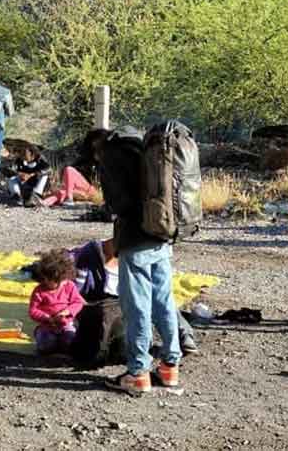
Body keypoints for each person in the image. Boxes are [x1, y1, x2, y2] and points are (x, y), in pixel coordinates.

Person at [96, 127, 181, 396]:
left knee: (137, 309)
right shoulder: (149, 151)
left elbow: (117, 205)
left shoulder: (115, 155)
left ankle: (138, 373)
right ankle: (170, 366)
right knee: (165, 302)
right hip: (162, 234)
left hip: (135, 241)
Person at [68, 238, 198, 354]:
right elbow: (76, 292)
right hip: (102, 304)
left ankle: (183, 338)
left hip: (127, 301)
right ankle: (149, 352)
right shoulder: (89, 257)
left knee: (160, 301)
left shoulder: (139, 258)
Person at [27, 249, 86, 355]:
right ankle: (41, 335)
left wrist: (67, 312)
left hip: (66, 324)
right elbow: (33, 310)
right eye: (56, 282)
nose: (61, 284)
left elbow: (78, 302)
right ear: (45, 278)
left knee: (71, 344)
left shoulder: (69, 286)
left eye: (63, 281)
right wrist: (47, 318)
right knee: (46, 346)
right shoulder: (39, 291)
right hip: (47, 326)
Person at [42, 129, 104, 207]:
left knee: (69, 170)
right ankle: (43, 203)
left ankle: (69, 198)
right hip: (84, 190)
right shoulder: (87, 155)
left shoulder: (104, 161)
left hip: (92, 191)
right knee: (62, 192)